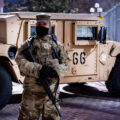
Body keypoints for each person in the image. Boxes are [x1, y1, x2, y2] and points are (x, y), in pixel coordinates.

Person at [15, 13, 70, 120]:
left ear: (49, 26)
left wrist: (54, 71)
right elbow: (20, 62)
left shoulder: (57, 45)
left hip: (51, 95)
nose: (41, 26)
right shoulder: (27, 45)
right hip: (31, 95)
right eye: (39, 24)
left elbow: (67, 64)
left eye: (44, 24)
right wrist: (39, 69)